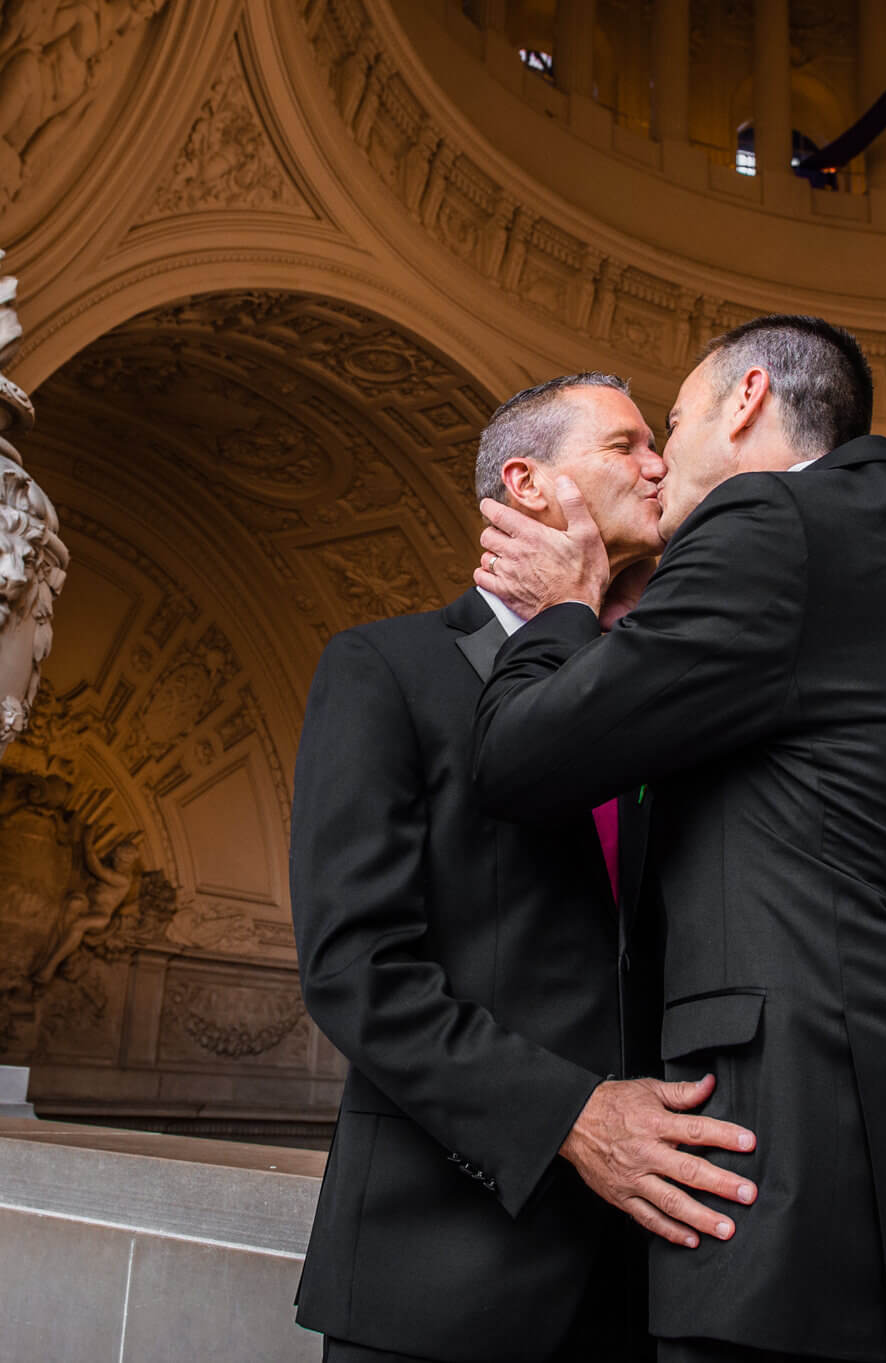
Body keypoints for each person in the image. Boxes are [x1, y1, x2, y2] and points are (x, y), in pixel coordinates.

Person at [470, 318, 886, 1363]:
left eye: (670, 423)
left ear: (745, 401)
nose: (656, 461)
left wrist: (561, 609)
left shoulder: (768, 520)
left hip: (781, 1175)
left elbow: (518, 760)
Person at [291, 373, 760, 1363]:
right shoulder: (384, 668)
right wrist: (571, 1116)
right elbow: (353, 967)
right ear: (527, 483)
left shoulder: (651, 700)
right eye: (625, 444)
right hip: (432, 1283)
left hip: (641, 1285)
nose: (658, 464)